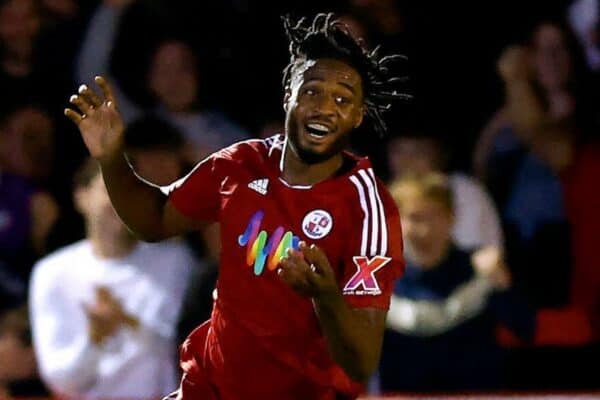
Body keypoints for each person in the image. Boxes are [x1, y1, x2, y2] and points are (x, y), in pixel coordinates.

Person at [65, 12, 408, 400]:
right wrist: (112, 160)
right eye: (312, 91)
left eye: (342, 99)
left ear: (358, 116)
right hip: (209, 389)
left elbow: (362, 359)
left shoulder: (369, 206)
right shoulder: (239, 164)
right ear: (288, 95)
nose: (325, 107)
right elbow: (154, 220)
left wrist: (326, 296)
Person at [29, 159, 196, 400]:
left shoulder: (175, 260)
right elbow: (59, 376)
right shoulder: (52, 272)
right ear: (81, 197)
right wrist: (94, 340)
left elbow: (182, 349)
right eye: (110, 189)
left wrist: (127, 321)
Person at [380, 173, 534, 392]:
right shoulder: (378, 280)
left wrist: (503, 284)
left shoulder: (480, 270)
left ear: (452, 218)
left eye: (433, 216)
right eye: (413, 217)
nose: (424, 229)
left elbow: (525, 328)